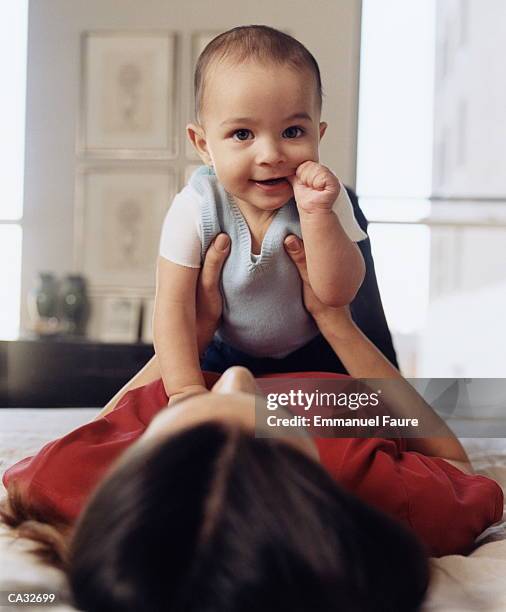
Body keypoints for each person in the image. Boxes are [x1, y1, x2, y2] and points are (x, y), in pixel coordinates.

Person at [1, 237, 502, 612]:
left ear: (131, 462)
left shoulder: (60, 484)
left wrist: (188, 345)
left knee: (232, 187)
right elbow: (450, 457)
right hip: (346, 369)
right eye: (273, 421)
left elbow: (104, 427)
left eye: (188, 410)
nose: (239, 377)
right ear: (319, 486)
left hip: (197, 348)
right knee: (327, 210)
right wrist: (336, 323)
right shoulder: (373, 483)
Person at [154, 25, 368, 403]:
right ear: (203, 145)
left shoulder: (323, 198)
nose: (271, 154)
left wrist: (318, 216)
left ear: (319, 134)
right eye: (242, 134)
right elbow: (173, 308)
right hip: (223, 354)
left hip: (315, 355)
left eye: (292, 131)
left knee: (350, 427)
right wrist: (186, 389)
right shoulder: (196, 207)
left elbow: (338, 293)